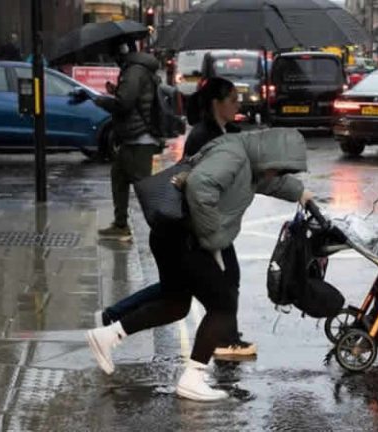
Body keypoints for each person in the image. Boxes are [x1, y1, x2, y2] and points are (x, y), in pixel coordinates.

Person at [87, 120, 312, 402]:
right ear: (271, 157)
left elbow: (267, 181)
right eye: (278, 168)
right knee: (223, 305)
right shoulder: (233, 156)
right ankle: (192, 378)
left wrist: (301, 193)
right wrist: (212, 236)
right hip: (184, 237)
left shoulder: (249, 161)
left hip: (172, 234)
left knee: (175, 303)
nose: (275, 174)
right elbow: (200, 185)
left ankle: (108, 335)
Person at [95, 78, 257, 360]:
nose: (238, 105)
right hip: (195, 226)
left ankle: (113, 318)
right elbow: (201, 182)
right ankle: (224, 340)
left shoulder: (223, 132)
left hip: (197, 225)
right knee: (219, 285)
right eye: (233, 100)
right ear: (216, 103)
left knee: (178, 293)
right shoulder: (205, 137)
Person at [95, 42, 161, 242]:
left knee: (144, 188)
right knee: (119, 177)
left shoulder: (134, 71)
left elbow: (124, 104)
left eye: (114, 55)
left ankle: (164, 228)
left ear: (121, 53)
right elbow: (131, 97)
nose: (114, 59)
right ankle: (120, 225)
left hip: (139, 137)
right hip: (132, 137)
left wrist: (102, 101)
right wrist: (116, 90)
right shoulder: (135, 70)